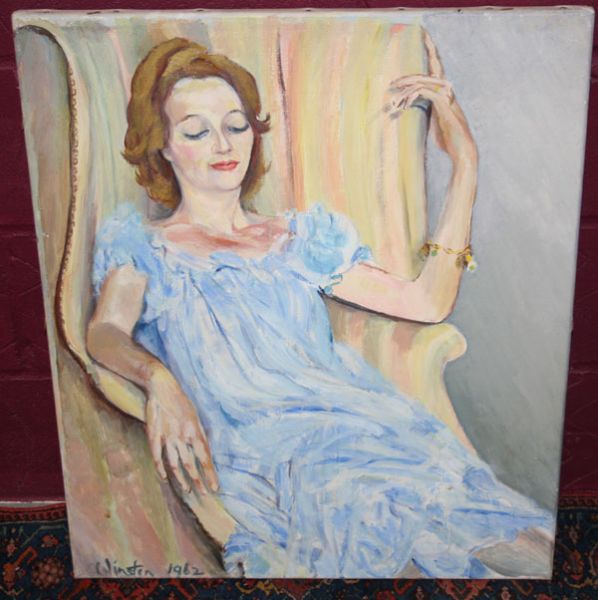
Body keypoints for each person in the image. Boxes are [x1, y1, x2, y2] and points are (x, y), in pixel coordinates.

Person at [87, 36, 554, 578]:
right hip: (270, 460)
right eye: (196, 131)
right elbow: (104, 333)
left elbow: (428, 301)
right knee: (390, 533)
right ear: (163, 146)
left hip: (362, 430)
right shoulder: (145, 247)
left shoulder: (298, 240)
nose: (222, 144)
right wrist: (159, 379)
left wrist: (465, 164)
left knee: (519, 543)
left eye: (236, 125)